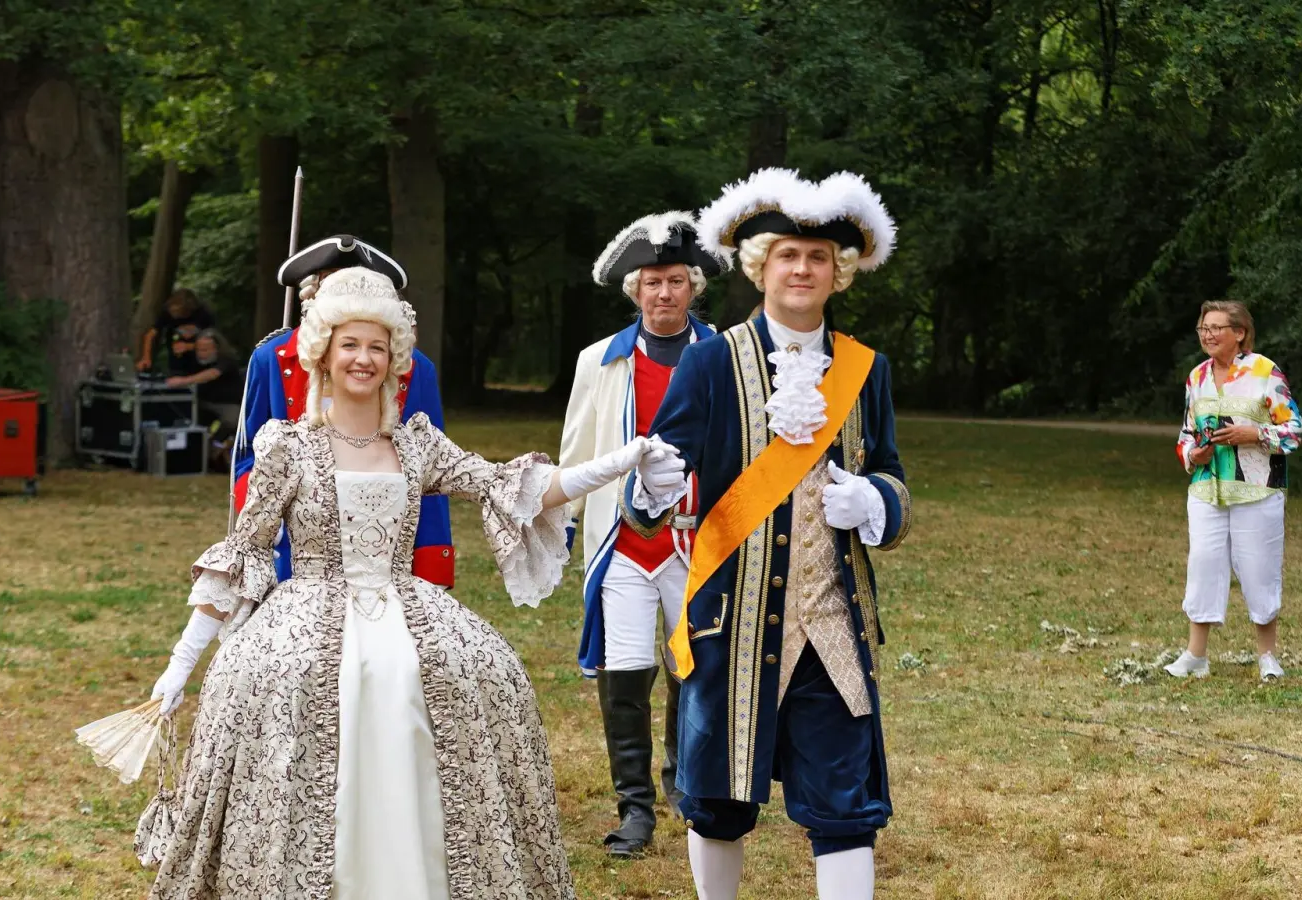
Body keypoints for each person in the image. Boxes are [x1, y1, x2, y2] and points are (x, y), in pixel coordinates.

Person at [142, 267, 679, 899]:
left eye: (377, 346)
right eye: (349, 344)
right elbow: (243, 552)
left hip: (405, 601)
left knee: (475, 673)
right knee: (287, 683)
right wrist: (181, 664)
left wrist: (622, 460)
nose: (363, 359)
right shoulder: (288, 447)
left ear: (394, 358)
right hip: (307, 605)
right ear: (323, 353)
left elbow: (514, 486)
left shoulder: (417, 444)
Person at [623, 168, 913, 900]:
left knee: (845, 808)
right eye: (788, 255)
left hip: (834, 627)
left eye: (818, 257)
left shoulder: (866, 370)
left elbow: (893, 476)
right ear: (761, 266)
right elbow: (649, 493)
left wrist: (873, 499)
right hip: (733, 622)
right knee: (717, 801)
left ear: (839, 272)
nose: (802, 269)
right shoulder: (711, 361)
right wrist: (653, 483)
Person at [559, 210, 725, 857]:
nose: (664, 293)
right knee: (626, 674)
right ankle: (635, 809)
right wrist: (560, 527)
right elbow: (576, 454)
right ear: (635, 290)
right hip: (623, 542)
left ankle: (686, 786)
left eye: (676, 281)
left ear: (693, 287)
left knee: (694, 668)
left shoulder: (724, 355)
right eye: (652, 282)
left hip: (700, 541)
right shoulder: (599, 362)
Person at [235, 235, 457, 588]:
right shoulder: (270, 359)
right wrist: (266, 523)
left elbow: (429, 475)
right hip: (296, 554)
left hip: (383, 552)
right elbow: (249, 458)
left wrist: (432, 566)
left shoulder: (415, 368)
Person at [1165, 300, 1302, 681]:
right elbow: (1186, 434)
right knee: (1203, 566)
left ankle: (1268, 657)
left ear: (1239, 333)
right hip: (1206, 491)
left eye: (1216, 328)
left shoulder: (1265, 372)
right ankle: (1196, 656)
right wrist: (1194, 453)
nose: (1207, 335)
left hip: (1257, 491)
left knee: (1259, 570)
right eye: (1203, 328)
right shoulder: (1197, 377)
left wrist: (1254, 433)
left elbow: (1294, 431)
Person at [167, 329, 242, 468]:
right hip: (201, 402)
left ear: (216, 349)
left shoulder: (226, 360)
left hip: (227, 403)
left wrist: (184, 381)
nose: (201, 353)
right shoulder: (192, 359)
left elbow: (212, 373)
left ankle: (215, 448)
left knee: (232, 420)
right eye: (199, 350)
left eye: (206, 350)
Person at [140, 288, 216, 373]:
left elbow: (214, 343)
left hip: (200, 359)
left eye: (177, 311)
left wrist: (188, 346)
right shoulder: (167, 312)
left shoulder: (204, 314)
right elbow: (150, 335)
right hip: (176, 359)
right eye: (172, 311)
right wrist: (146, 357)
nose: (173, 314)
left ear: (188, 310)